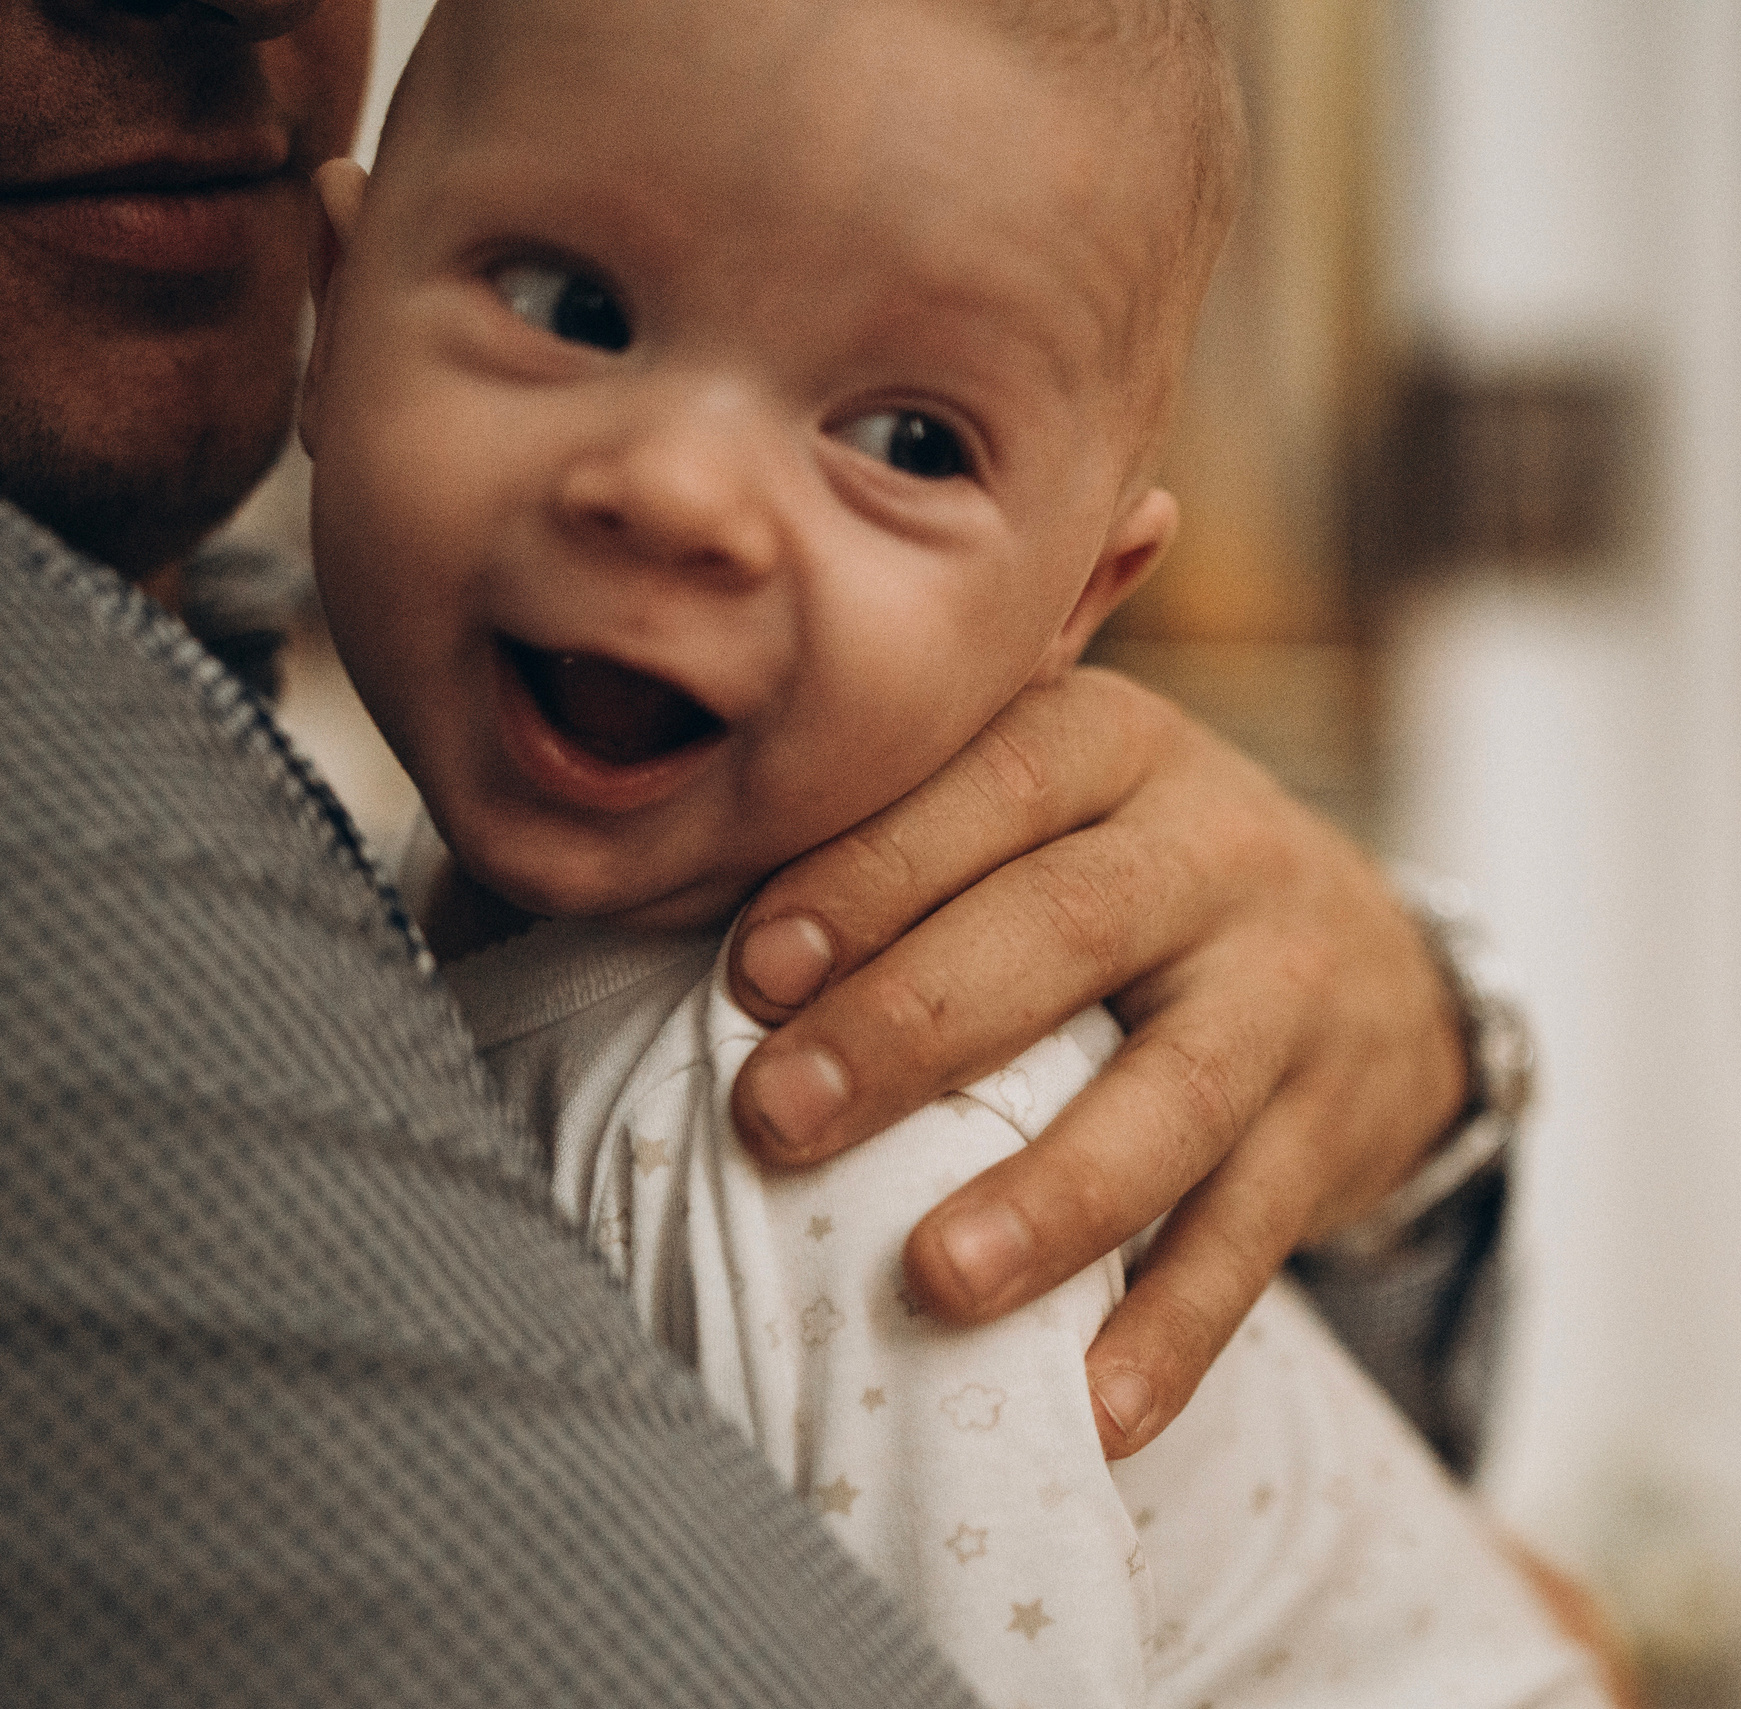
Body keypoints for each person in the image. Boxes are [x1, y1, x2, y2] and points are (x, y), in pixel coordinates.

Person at [0, 0, 1522, 1701]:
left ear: (1075, 606)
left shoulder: (861, 1161)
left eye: (907, 443)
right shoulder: (314, 877)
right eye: (571, 308)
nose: (677, 492)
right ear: (334, 312)